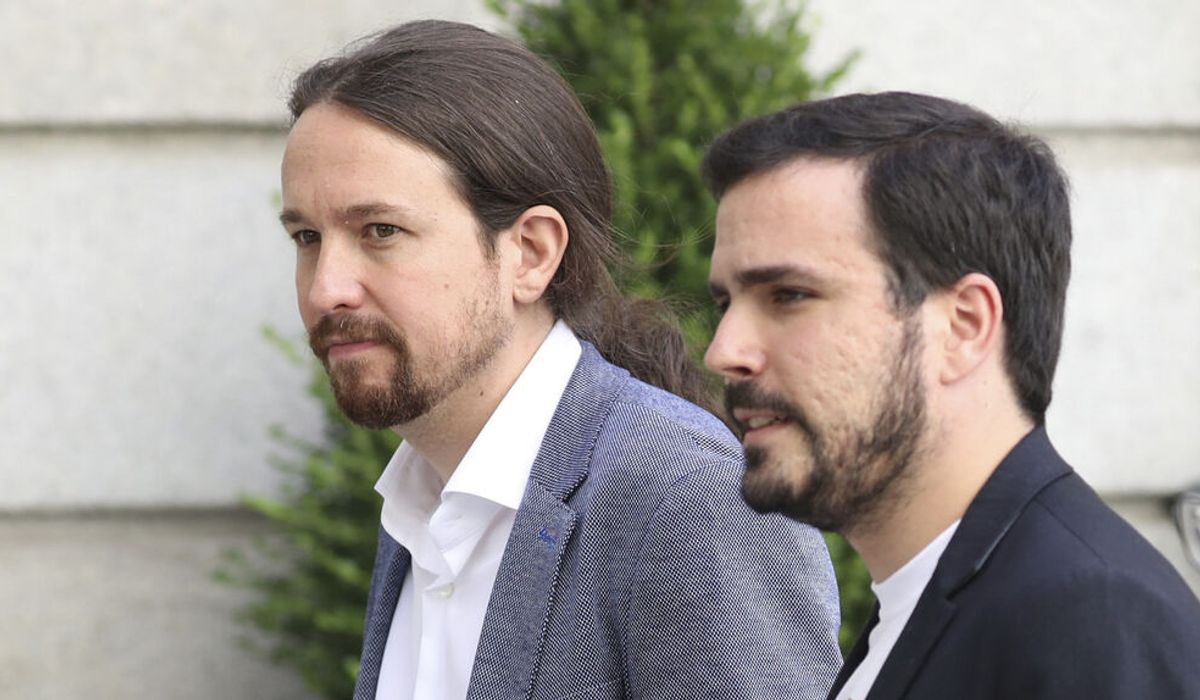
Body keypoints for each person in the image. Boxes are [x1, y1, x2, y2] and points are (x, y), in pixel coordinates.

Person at [278, 19, 841, 700]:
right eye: (307, 237)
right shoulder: (420, 501)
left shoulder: (688, 499)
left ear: (531, 253)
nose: (326, 288)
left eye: (380, 231)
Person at [701, 91, 1200, 699]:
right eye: (725, 303)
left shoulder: (1091, 623)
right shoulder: (934, 605)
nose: (724, 350)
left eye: (789, 295)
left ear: (964, 326)